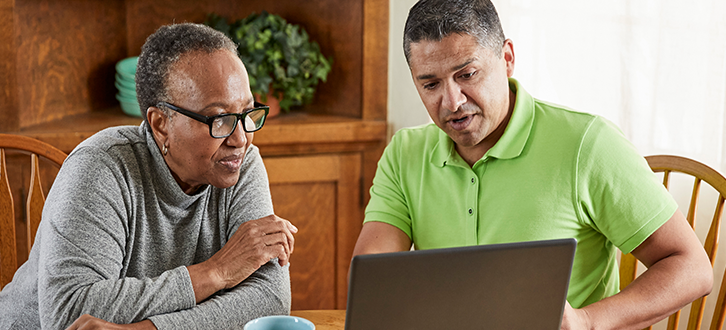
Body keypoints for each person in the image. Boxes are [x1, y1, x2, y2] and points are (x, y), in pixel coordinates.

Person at [352, 0, 713, 329]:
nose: (452, 101)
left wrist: (587, 322)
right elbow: (372, 280)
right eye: (430, 84)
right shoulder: (405, 152)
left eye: (467, 75)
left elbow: (692, 267)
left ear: (507, 58)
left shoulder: (587, 143)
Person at [0, 23, 297, 329]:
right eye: (220, 119)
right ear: (160, 124)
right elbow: (70, 313)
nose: (240, 138)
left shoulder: (239, 161)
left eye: (247, 114)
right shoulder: (100, 167)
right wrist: (216, 273)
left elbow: (269, 297)